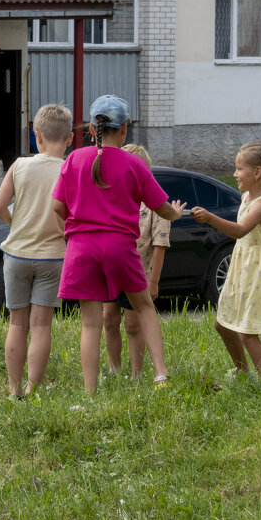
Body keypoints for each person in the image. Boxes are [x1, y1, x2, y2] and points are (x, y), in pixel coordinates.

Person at [51, 95, 185, 394]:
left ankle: (89, 392)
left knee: (90, 323)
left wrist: (74, 230)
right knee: (144, 307)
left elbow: (57, 208)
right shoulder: (134, 164)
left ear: (90, 128)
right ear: (125, 129)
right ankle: (160, 375)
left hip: (81, 248)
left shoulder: (74, 159)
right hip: (120, 247)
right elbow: (162, 207)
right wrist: (174, 213)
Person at [0, 103, 73, 398]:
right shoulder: (70, 170)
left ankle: (14, 390)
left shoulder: (20, 165)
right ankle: (33, 387)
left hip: (17, 254)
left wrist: (17, 224)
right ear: (69, 139)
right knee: (41, 326)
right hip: (53, 256)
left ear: (35, 136)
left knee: (17, 322)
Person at [191, 142, 261, 377]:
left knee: (248, 332)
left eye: (239, 169)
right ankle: (243, 372)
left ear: (257, 173)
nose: (234, 174)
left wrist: (210, 218)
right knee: (222, 324)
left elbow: (239, 230)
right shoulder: (247, 197)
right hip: (244, 268)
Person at [102, 143, 171, 379]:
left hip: (137, 274)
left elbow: (160, 244)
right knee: (108, 318)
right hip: (111, 270)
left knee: (133, 325)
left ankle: (136, 373)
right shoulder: (114, 196)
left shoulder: (154, 203)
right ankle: (114, 368)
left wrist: (154, 281)